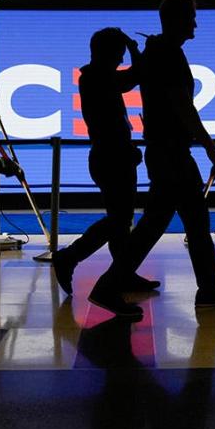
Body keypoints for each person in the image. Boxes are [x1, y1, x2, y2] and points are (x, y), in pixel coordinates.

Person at [89, 0, 215, 316]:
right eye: (191, 17)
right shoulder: (168, 56)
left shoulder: (158, 52)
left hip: (166, 153)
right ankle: (110, 286)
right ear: (178, 21)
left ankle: (208, 288)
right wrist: (212, 150)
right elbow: (183, 108)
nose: (195, 24)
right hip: (172, 155)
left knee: (182, 222)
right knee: (167, 225)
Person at [52, 28, 160, 296]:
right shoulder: (96, 77)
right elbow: (134, 77)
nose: (121, 59)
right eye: (119, 53)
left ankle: (123, 273)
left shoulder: (94, 76)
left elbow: (129, 79)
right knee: (119, 220)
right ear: (108, 53)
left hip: (111, 155)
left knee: (120, 222)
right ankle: (70, 256)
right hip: (112, 157)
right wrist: (138, 51)